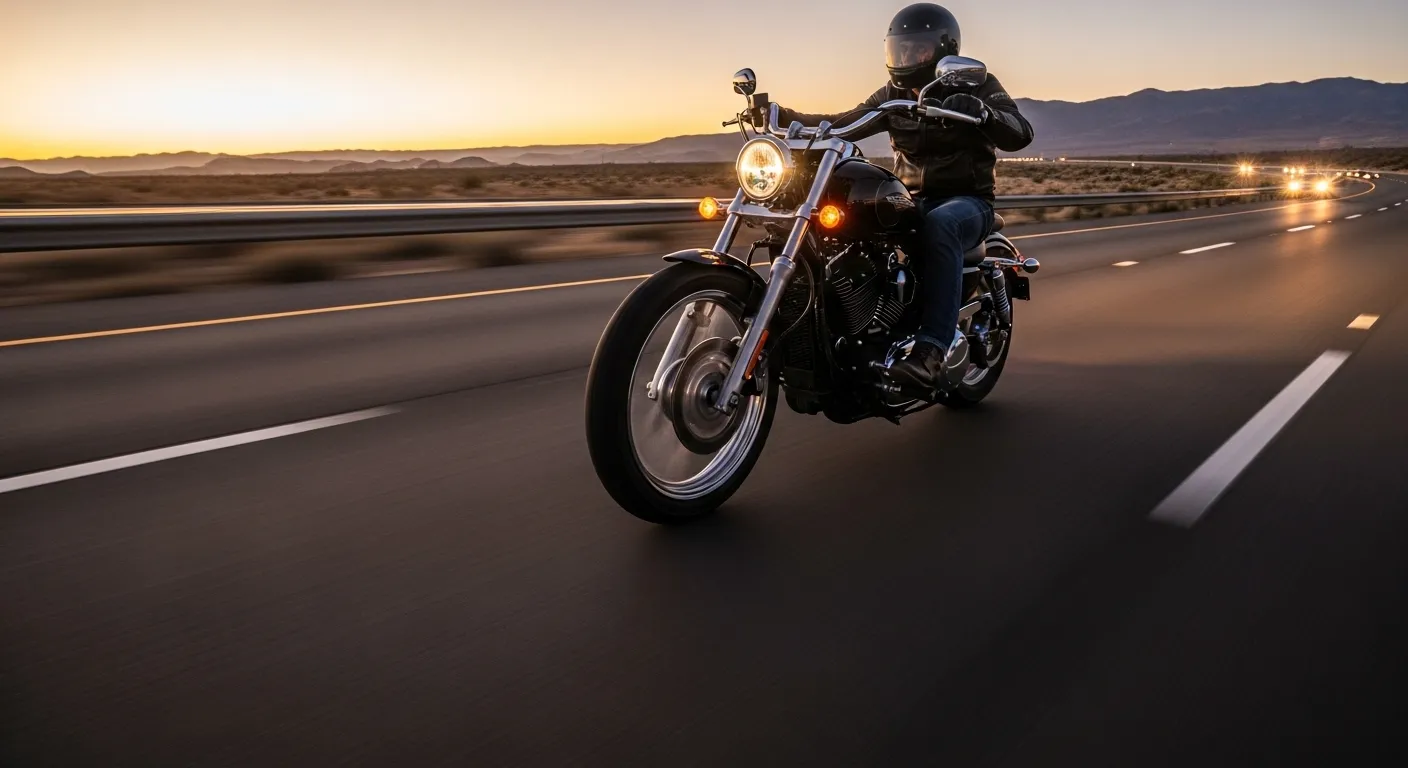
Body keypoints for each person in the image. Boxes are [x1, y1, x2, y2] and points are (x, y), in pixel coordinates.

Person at [777, 3, 1034, 392]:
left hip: (967, 202)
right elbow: (848, 121)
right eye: (902, 49)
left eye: (919, 50)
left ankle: (931, 350)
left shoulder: (977, 85)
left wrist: (984, 113)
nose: (909, 58)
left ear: (945, 51)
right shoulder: (892, 93)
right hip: (910, 199)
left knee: (941, 224)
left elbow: (1020, 131)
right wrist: (786, 117)